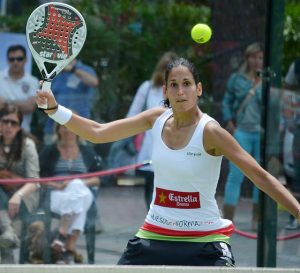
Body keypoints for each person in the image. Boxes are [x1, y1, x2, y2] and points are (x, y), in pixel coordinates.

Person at [36, 57, 300, 266]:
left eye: (187, 84)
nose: (180, 91)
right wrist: (54, 110)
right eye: (174, 84)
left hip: (205, 241)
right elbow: (97, 132)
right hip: (154, 235)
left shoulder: (212, 132)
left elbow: (261, 177)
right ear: (165, 90)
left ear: (198, 88)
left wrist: (298, 212)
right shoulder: (156, 118)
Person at [39, 123, 102, 264]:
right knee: (80, 200)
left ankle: (62, 233)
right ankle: (70, 246)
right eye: (64, 126)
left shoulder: (88, 151)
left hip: (81, 191)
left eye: (72, 126)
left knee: (77, 186)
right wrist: (57, 185)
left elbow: (97, 179)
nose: (68, 130)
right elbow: (38, 178)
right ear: (58, 130)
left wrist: (75, 183)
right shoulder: (49, 150)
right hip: (56, 194)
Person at [126, 51, 178, 209]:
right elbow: (132, 115)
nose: (166, 73)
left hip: (175, 149)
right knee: (151, 189)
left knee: (172, 190)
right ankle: (154, 225)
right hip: (150, 148)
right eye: (164, 69)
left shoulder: (182, 91)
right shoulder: (147, 88)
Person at [221, 42, 263, 230]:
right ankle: (229, 221)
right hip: (242, 132)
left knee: (260, 176)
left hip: (262, 133)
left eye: (260, 57)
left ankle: (256, 220)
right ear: (247, 58)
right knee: (235, 175)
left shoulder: (268, 79)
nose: (257, 61)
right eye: (253, 57)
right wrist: (230, 123)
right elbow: (227, 101)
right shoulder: (236, 78)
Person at [0, 103, 40, 264]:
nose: (9, 126)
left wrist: (18, 194)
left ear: (19, 127)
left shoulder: (27, 144)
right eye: (5, 121)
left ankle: (7, 237)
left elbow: (34, 181)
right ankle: (7, 234)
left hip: (23, 197)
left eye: (14, 123)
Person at [43, 59, 99, 145]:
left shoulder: (85, 69)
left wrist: (72, 69)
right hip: (54, 130)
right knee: (51, 156)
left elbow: (94, 82)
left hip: (82, 130)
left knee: (82, 157)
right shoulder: (53, 73)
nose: (55, 54)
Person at [0, 44, 39, 132]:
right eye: (12, 59)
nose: (15, 62)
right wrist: (22, 104)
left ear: (26, 60)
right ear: (7, 61)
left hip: (23, 132)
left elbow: (30, 107)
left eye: (19, 59)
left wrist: (5, 102)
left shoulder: (33, 81)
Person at [283, 59, 300, 230]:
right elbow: (287, 89)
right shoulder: (296, 65)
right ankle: (294, 216)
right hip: (299, 128)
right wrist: (289, 118)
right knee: (297, 174)